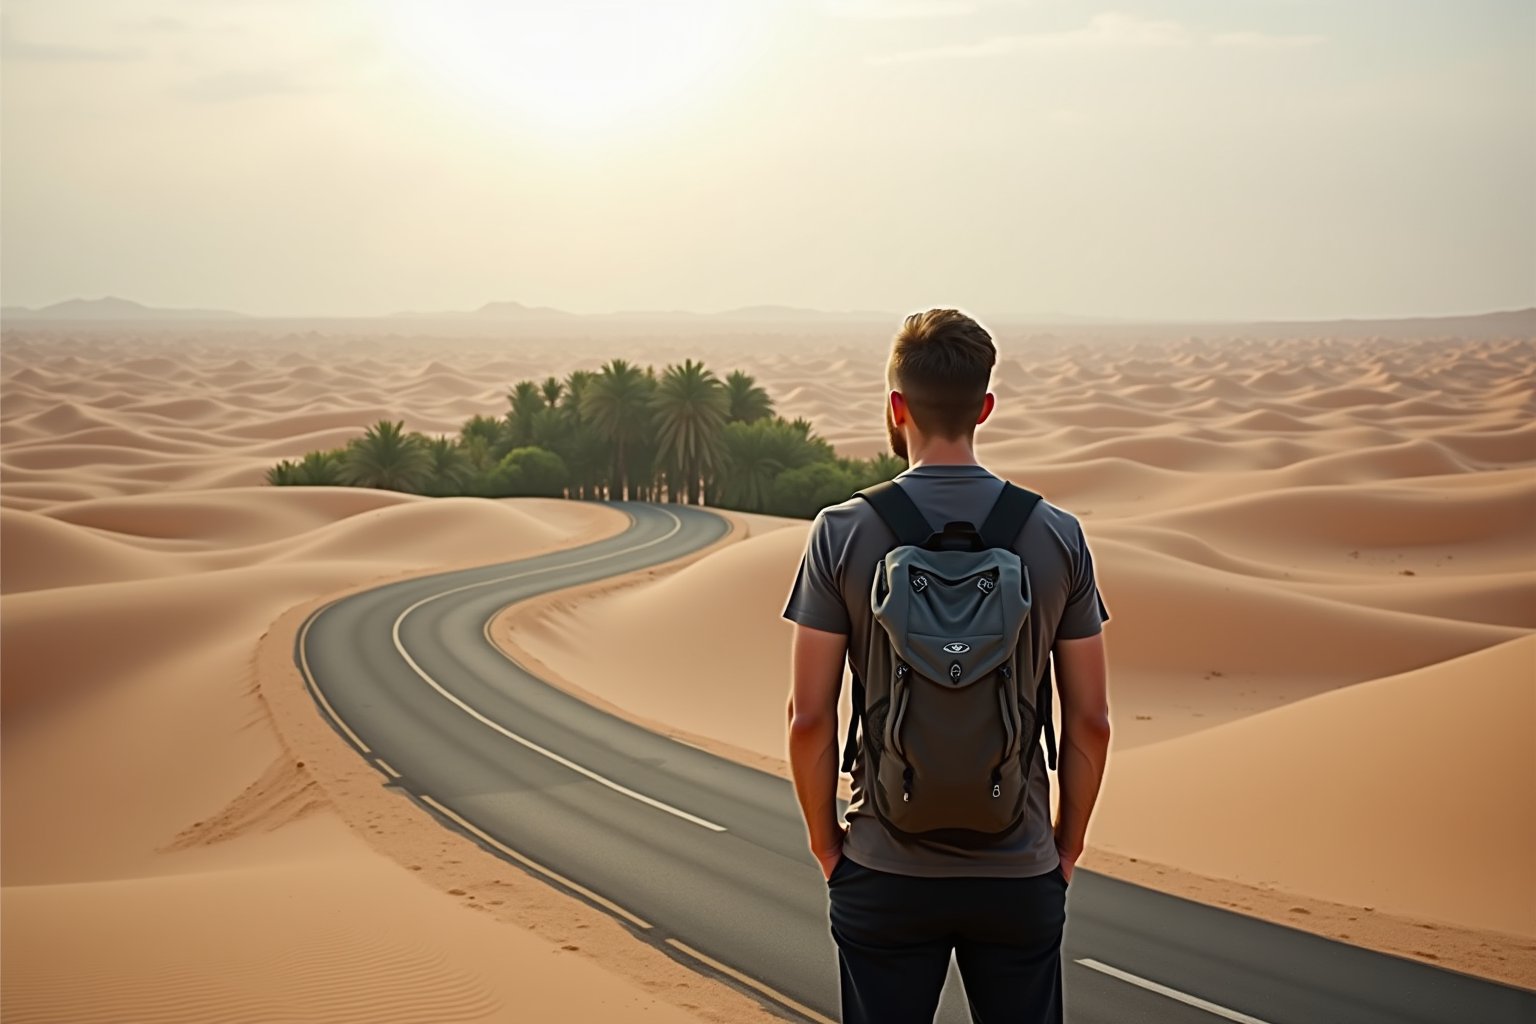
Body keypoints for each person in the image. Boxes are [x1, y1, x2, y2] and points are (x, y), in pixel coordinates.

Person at [782, 308, 1112, 1024]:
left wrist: (828, 848)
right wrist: (1063, 851)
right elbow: (1092, 719)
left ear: (897, 407)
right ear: (985, 408)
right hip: (1018, 871)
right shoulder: (1057, 535)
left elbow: (809, 717)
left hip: (884, 869)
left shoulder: (840, 532)